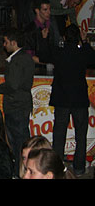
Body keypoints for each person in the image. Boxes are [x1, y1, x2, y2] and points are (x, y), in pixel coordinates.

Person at [37, 23, 95, 176]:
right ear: (77, 38)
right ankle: (79, 167)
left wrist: (44, 39)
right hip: (79, 100)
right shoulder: (82, 52)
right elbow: (93, 58)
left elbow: (42, 56)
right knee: (81, 135)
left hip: (62, 99)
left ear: (63, 38)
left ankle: (57, 166)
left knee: (59, 135)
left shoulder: (59, 52)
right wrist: (85, 42)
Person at [0, 28, 34, 173]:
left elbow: (13, 84)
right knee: (21, 140)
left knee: (18, 142)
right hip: (21, 104)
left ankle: (20, 171)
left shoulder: (18, 60)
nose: (4, 45)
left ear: (13, 42)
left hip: (15, 105)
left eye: (6, 42)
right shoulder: (25, 57)